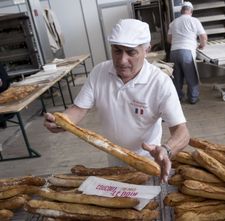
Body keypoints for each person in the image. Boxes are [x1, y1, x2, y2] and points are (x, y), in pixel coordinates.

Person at [44, 19, 190, 183]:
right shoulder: (100, 72)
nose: (121, 60)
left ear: (146, 50)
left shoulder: (160, 83)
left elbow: (182, 132)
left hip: (147, 162)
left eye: (131, 52)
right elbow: (78, 108)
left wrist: (166, 150)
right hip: (113, 160)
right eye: (117, 51)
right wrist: (62, 121)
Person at [167, 1, 207, 104]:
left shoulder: (173, 22)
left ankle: (178, 98)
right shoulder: (194, 21)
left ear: (181, 11)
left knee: (176, 77)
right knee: (191, 76)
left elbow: (169, 40)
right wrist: (201, 45)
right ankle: (193, 98)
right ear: (191, 11)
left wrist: (178, 43)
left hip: (174, 52)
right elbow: (203, 36)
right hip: (187, 52)